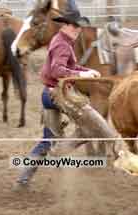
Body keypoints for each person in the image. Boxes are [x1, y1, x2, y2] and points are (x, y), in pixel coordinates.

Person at [15, 10, 101, 187]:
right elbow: (58, 71)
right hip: (58, 95)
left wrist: (86, 71)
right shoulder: (63, 44)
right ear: (67, 25)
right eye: (75, 26)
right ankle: (59, 152)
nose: (78, 29)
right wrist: (82, 75)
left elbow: (68, 66)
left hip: (50, 94)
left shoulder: (61, 41)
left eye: (80, 26)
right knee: (91, 125)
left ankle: (24, 177)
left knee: (48, 139)